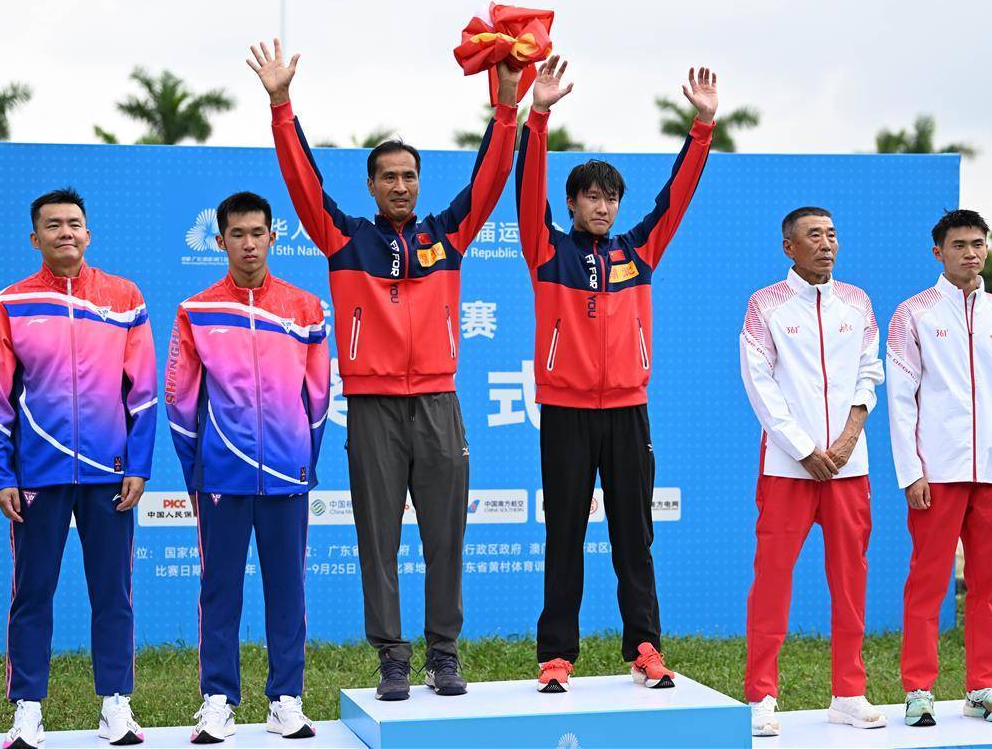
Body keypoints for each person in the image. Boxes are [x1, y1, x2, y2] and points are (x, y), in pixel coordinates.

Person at [249, 38, 521, 700]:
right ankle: (392, 657)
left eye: (409, 176)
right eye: (389, 177)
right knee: (378, 541)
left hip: (438, 404)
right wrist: (282, 104)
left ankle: (444, 654)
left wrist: (507, 106)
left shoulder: (447, 236)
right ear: (371, 185)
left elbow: (489, 179)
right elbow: (303, 183)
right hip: (372, 409)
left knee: (445, 538)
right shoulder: (346, 240)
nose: (401, 185)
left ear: (420, 183)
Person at [515, 56, 714, 693]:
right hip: (566, 413)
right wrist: (537, 116)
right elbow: (526, 188)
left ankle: (645, 649)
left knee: (634, 537)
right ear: (572, 203)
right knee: (565, 538)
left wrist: (702, 127)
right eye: (592, 197)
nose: (602, 206)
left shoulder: (638, 251)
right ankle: (556, 658)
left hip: (628, 411)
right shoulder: (546, 249)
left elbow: (676, 196)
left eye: (610, 198)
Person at [0, 188, 155, 748]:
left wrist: (138, 464)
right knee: (32, 593)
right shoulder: (11, 302)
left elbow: (144, 392)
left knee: (114, 594)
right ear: (35, 238)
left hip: (109, 473)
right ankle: (28, 709)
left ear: (89, 233)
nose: (66, 233)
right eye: (53, 225)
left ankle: (116, 705)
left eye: (74, 223)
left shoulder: (124, 297)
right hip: (38, 474)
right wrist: (3, 475)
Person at [165, 192, 328, 742]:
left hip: (286, 475)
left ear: (273, 237)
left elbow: (319, 397)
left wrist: (302, 459)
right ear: (221, 241)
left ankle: (286, 698)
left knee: (288, 589)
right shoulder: (196, 310)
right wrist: (198, 470)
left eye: (258, 233)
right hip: (221, 477)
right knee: (220, 590)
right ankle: (217, 699)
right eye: (238, 234)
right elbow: (180, 401)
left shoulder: (305, 308)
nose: (249, 244)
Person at [886, 209, 992, 728]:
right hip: (938, 472)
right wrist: (911, 470)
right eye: (959, 245)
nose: (971, 253)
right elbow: (901, 400)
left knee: (987, 587)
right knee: (927, 584)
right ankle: (918, 689)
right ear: (938, 252)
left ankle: (982, 687)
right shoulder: (913, 314)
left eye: (978, 243)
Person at [739, 207, 887, 737]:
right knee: (772, 581)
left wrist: (848, 438)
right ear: (789, 247)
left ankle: (848, 692)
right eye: (814, 236)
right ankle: (761, 696)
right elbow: (759, 383)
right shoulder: (765, 304)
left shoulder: (858, 301)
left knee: (850, 581)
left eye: (832, 235)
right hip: (788, 468)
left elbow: (870, 371)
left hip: (849, 467)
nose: (826, 244)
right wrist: (803, 449)